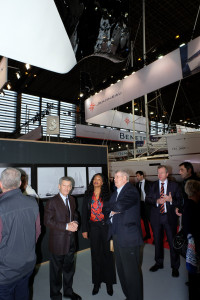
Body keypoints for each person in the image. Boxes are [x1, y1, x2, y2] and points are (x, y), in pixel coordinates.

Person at [0, 167, 41, 300]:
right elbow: (37, 232)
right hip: (27, 265)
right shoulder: (32, 202)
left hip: (5, 272)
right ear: (19, 184)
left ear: (1, 184)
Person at [103, 170, 143, 300]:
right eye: (114, 177)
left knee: (131, 273)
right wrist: (112, 210)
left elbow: (119, 206)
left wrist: (113, 209)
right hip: (117, 236)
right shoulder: (115, 193)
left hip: (129, 238)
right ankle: (129, 296)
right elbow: (105, 208)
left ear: (125, 178)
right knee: (121, 271)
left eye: (118, 177)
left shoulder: (131, 191)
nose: (114, 179)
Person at [44, 176, 81, 300]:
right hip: (58, 243)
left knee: (69, 269)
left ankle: (68, 292)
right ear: (59, 186)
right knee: (55, 271)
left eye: (69, 186)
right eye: (64, 185)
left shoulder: (72, 199)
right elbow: (48, 222)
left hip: (71, 241)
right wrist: (66, 226)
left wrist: (75, 222)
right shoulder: (52, 202)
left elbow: (75, 213)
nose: (67, 188)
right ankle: (55, 295)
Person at [82, 173, 116, 296]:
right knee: (95, 254)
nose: (96, 181)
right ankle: (96, 283)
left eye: (99, 179)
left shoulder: (109, 195)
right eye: (94, 179)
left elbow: (113, 212)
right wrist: (84, 229)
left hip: (105, 226)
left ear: (103, 182)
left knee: (107, 255)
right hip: (93, 227)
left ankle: (109, 283)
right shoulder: (88, 195)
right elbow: (84, 213)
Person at [146, 165, 181, 277]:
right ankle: (158, 262)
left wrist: (171, 200)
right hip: (156, 218)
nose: (159, 175)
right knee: (157, 241)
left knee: (172, 243)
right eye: (158, 172)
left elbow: (180, 201)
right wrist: (157, 201)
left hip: (169, 218)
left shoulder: (174, 186)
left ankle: (175, 267)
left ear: (167, 174)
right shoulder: (153, 185)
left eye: (161, 173)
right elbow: (147, 199)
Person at [136, 171, 151, 240]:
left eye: (138, 176)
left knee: (151, 221)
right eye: (136, 176)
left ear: (142, 175)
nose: (137, 177)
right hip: (141, 204)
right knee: (144, 221)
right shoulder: (137, 184)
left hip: (148, 204)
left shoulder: (149, 183)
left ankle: (155, 236)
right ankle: (148, 234)